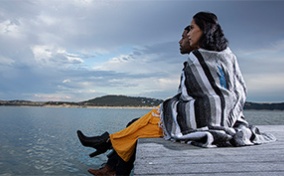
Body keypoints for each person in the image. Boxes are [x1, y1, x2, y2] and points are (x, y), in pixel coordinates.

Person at [77, 11, 276, 176]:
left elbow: (205, 97)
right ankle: (111, 162)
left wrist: (176, 106)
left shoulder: (200, 58)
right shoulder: (226, 56)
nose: (187, 36)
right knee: (148, 118)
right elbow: (231, 92)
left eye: (191, 29)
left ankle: (109, 151)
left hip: (204, 120)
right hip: (226, 117)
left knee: (147, 119)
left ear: (204, 30)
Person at [78, 25, 196, 176]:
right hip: (183, 118)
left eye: (183, 37)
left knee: (136, 132)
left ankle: (109, 151)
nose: (180, 41)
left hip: (187, 125)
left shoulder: (199, 66)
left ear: (194, 37)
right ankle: (110, 165)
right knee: (134, 123)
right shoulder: (193, 64)